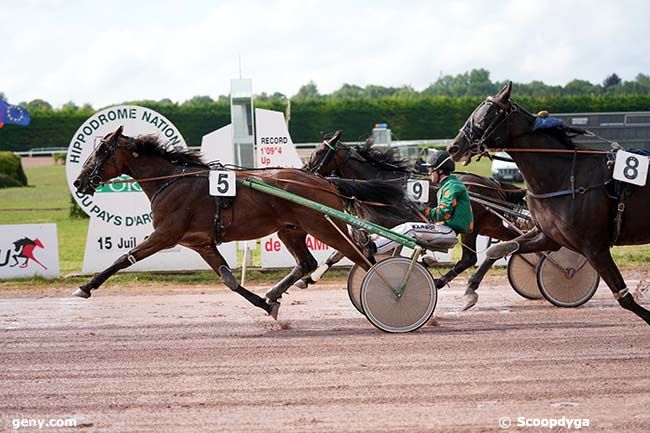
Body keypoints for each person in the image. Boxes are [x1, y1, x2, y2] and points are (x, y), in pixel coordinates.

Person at [372, 150, 474, 254]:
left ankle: (375, 248)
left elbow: (444, 213)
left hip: (448, 231)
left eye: (431, 170)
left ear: (440, 171)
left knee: (409, 228)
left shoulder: (453, 186)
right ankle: (375, 239)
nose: (429, 173)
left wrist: (423, 210)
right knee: (404, 226)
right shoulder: (447, 185)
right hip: (443, 228)